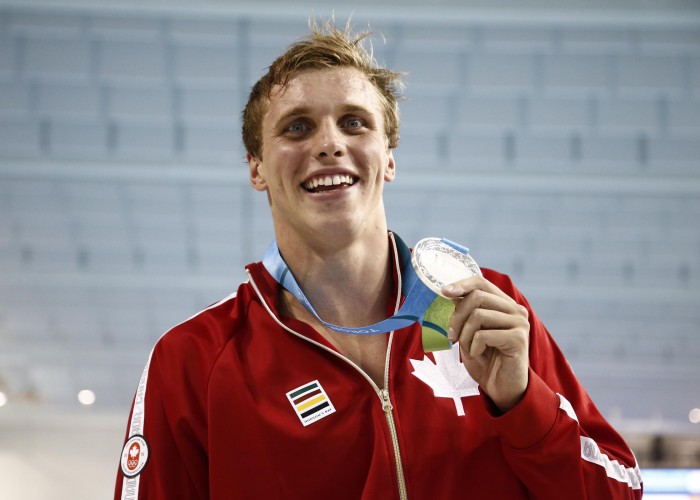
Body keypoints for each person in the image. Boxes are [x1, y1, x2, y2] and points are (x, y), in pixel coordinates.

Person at [115, 20, 643, 500]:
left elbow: (622, 492)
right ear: (255, 168)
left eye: (354, 123)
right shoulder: (195, 360)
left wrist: (523, 403)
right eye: (297, 127)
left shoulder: (480, 307)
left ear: (388, 158)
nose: (329, 144)